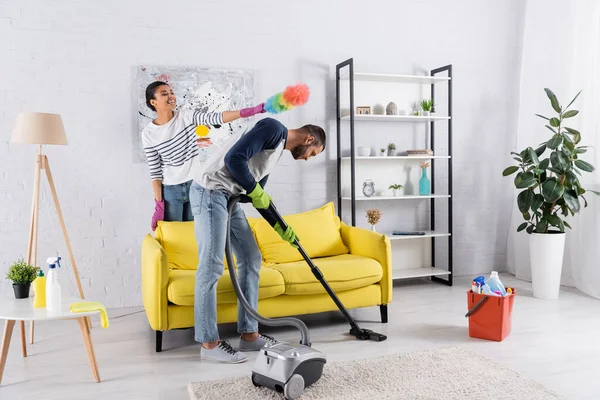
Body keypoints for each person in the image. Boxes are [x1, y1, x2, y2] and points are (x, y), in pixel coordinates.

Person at [190, 117, 326, 363]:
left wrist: (282, 228)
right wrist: (255, 191)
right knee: (211, 265)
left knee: (251, 257)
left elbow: (257, 196)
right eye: (313, 153)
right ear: (309, 139)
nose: (308, 158)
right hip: (210, 192)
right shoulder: (273, 129)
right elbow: (234, 158)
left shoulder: (274, 153)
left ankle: (249, 335)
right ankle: (209, 344)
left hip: (229, 197)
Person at [141, 81, 265, 231]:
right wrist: (159, 203)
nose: (171, 96)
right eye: (164, 93)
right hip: (171, 191)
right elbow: (155, 171)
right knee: (174, 237)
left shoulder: (186, 116)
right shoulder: (148, 133)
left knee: (194, 234)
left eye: (171, 92)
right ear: (153, 102)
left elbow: (215, 118)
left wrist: (247, 112)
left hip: (196, 185)